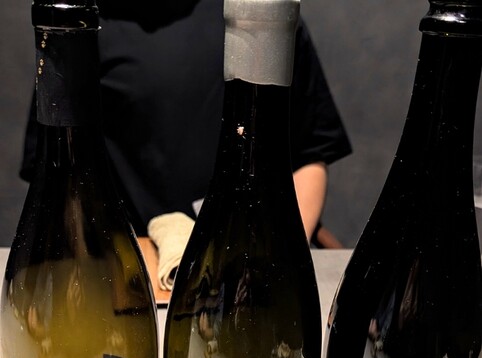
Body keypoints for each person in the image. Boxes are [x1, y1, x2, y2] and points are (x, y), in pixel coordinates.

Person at [20, 0, 352, 246]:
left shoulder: (261, 15)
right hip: (132, 259)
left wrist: (279, 253)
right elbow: (58, 172)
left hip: (248, 251)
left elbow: (308, 156)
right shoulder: (79, 23)